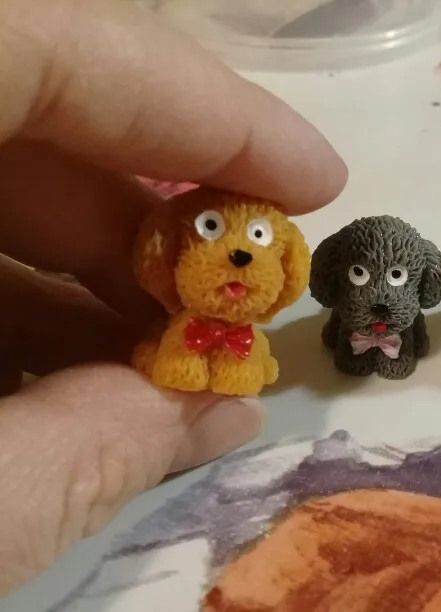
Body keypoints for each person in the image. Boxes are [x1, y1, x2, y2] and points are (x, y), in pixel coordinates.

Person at [0, 0, 347, 597]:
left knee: (241, 363)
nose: (240, 255)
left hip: (237, 348)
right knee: (172, 360)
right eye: (211, 231)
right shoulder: (161, 250)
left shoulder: (279, 276)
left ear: (286, 260)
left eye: (258, 239)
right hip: (182, 340)